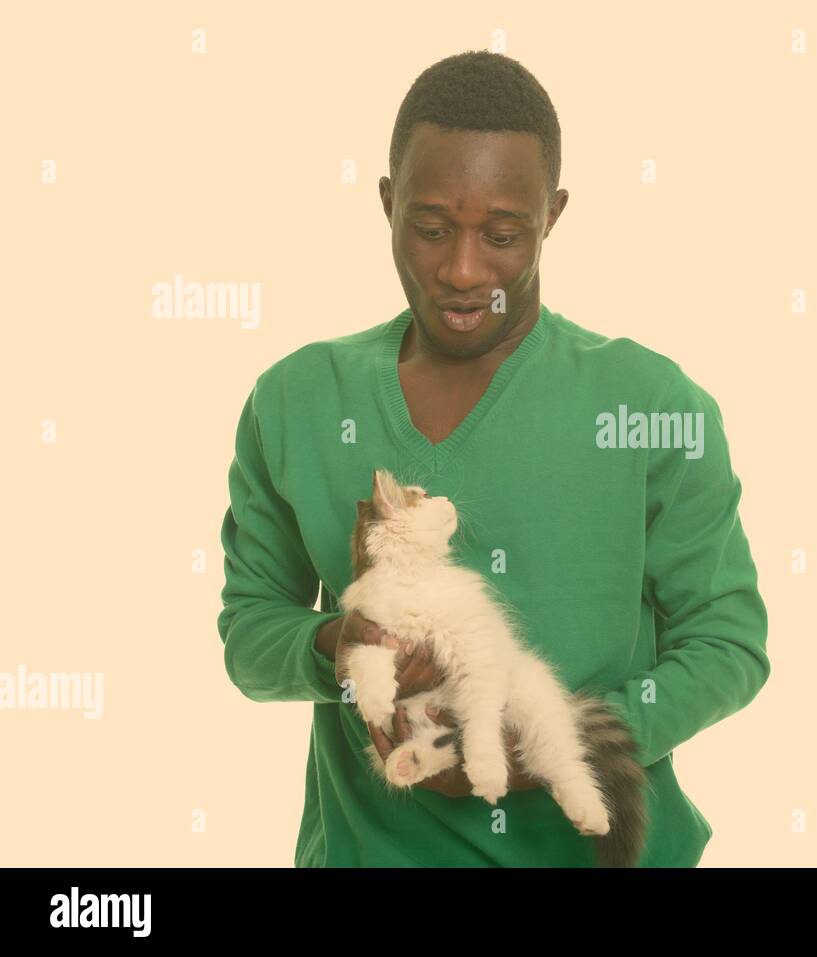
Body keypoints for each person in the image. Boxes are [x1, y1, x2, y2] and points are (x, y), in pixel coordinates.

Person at [217, 50, 770, 866]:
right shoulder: (295, 399)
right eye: (432, 228)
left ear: (552, 215)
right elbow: (249, 633)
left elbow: (730, 642)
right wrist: (337, 642)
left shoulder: (651, 403)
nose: (463, 271)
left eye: (502, 234)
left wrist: (567, 741)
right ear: (386, 204)